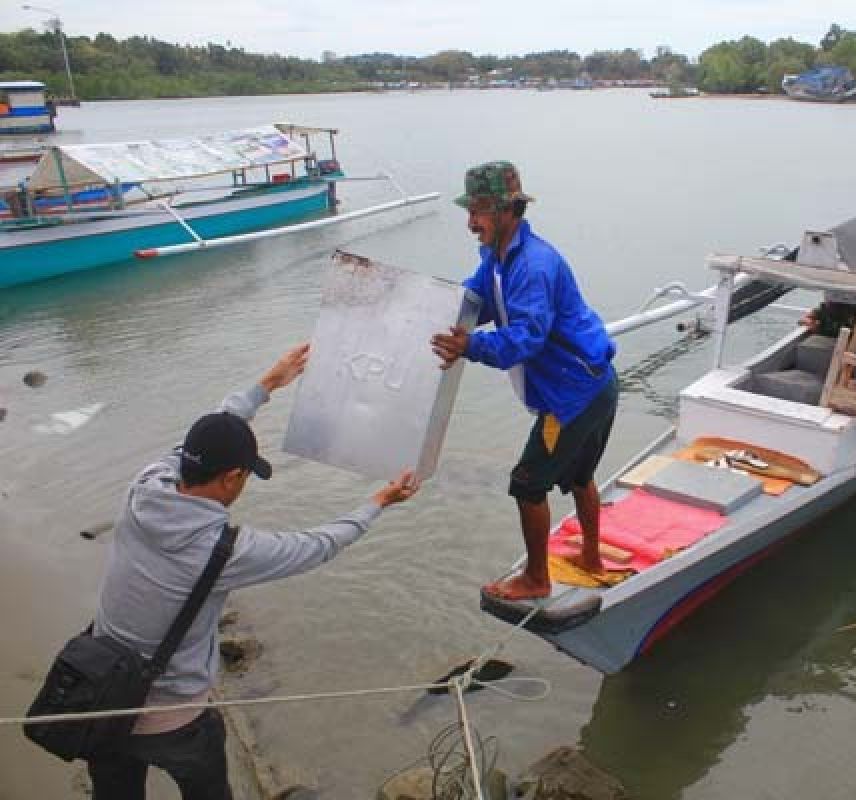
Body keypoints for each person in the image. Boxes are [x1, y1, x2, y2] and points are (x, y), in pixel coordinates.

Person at [85, 344, 420, 800]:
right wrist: (377, 502)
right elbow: (318, 546)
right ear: (230, 479)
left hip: (99, 694)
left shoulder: (145, 485)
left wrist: (266, 384)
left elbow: (210, 423)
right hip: (173, 717)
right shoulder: (223, 551)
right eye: (245, 477)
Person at [431, 161, 617, 601]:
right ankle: (590, 558)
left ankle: (537, 578)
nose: (471, 223)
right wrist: (426, 309)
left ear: (507, 210)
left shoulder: (532, 265)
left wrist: (470, 347)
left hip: (571, 396)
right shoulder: (497, 257)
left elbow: (527, 339)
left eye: (478, 211)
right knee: (579, 478)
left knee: (527, 484)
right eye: (469, 210)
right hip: (596, 383)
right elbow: (475, 301)